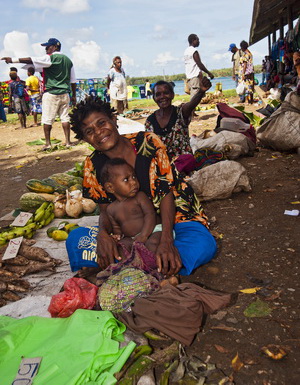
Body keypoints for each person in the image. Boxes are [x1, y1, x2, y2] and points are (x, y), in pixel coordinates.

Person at [66, 97, 217, 277]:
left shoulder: (148, 143)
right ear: (84, 139)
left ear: (114, 120)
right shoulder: (92, 165)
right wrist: (103, 235)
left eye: (102, 123)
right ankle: (151, 264)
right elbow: (105, 210)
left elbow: (166, 195)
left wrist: (166, 241)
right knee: (76, 239)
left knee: (204, 245)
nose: (99, 132)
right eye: (89, 131)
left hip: (175, 220)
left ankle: (131, 265)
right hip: (133, 231)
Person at [1, 38, 77, 150]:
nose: (46, 49)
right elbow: (73, 80)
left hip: (51, 93)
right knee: (65, 118)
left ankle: (48, 143)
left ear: (55, 47)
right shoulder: (68, 61)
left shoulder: (50, 57)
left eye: (48, 47)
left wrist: (13, 60)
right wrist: (74, 95)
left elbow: (30, 59)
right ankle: (68, 142)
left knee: (47, 119)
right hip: (64, 94)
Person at [100, 158, 162, 254]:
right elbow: (117, 228)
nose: (133, 182)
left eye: (134, 177)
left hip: (154, 231)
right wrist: (117, 237)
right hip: (133, 238)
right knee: (121, 247)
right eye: (126, 179)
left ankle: (152, 267)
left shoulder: (140, 197)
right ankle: (129, 266)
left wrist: (144, 235)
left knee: (152, 244)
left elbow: (150, 214)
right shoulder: (111, 209)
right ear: (110, 187)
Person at [145, 77, 211, 160]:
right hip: (162, 167)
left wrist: (201, 91)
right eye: (158, 94)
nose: (162, 97)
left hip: (184, 164)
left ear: (172, 95)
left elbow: (191, 105)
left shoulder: (180, 112)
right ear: (154, 98)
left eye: (166, 93)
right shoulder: (150, 121)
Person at [184, 34, 214, 98]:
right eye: (197, 40)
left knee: (195, 97)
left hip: (189, 78)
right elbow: (199, 64)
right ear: (193, 40)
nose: (199, 42)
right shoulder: (193, 51)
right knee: (195, 98)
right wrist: (209, 73)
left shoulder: (186, 51)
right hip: (195, 78)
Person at [238, 40, 254, 105]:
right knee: (251, 86)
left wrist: (243, 74)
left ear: (242, 47)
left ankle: (248, 101)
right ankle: (251, 100)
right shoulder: (250, 53)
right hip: (250, 72)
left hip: (246, 72)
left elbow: (245, 65)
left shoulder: (245, 55)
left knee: (246, 86)